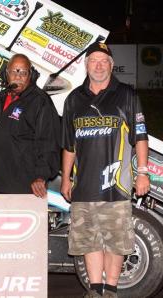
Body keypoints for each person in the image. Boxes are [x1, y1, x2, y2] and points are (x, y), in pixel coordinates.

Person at [60, 42, 150, 298]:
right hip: (84, 186)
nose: (98, 65)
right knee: (89, 241)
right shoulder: (74, 99)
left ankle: (110, 289)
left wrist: (142, 172)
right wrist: (66, 178)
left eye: (103, 60)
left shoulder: (127, 95)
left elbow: (140, 136)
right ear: (86, 65)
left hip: (117, 186)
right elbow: (68, 145)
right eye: (93, 60)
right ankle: (95, 289)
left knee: (115, 241)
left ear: (111, 65)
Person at [0, 53, 60, 196]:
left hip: (26, 187)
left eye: (23, 72)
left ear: (31, 75)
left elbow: (49, 142)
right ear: (6, 74)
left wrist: (41, 176)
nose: (18, 76)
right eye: (14, 71)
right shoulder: (2, 98)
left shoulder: (40, 101)